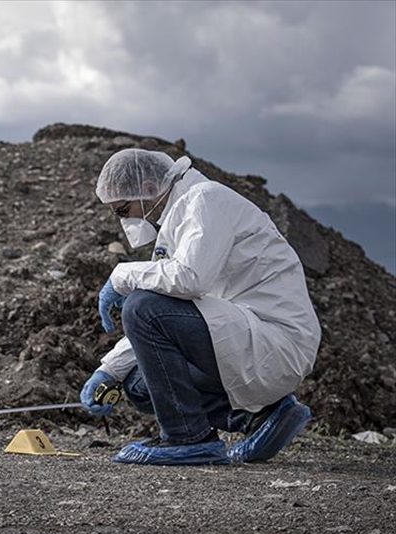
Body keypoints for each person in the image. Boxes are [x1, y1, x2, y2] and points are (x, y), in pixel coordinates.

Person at [80, 148, 321, 465]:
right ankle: (261, 418)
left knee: (141, 306)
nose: (125, 220)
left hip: (275, 342)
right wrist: (109, 370)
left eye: (124, 209)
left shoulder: (205, 200)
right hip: (246, 338)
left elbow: (189, 280)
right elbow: (169, 304)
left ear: (150, 187)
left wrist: (122, 275)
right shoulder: (180, 217)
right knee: (138, 384)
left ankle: (187, 438)